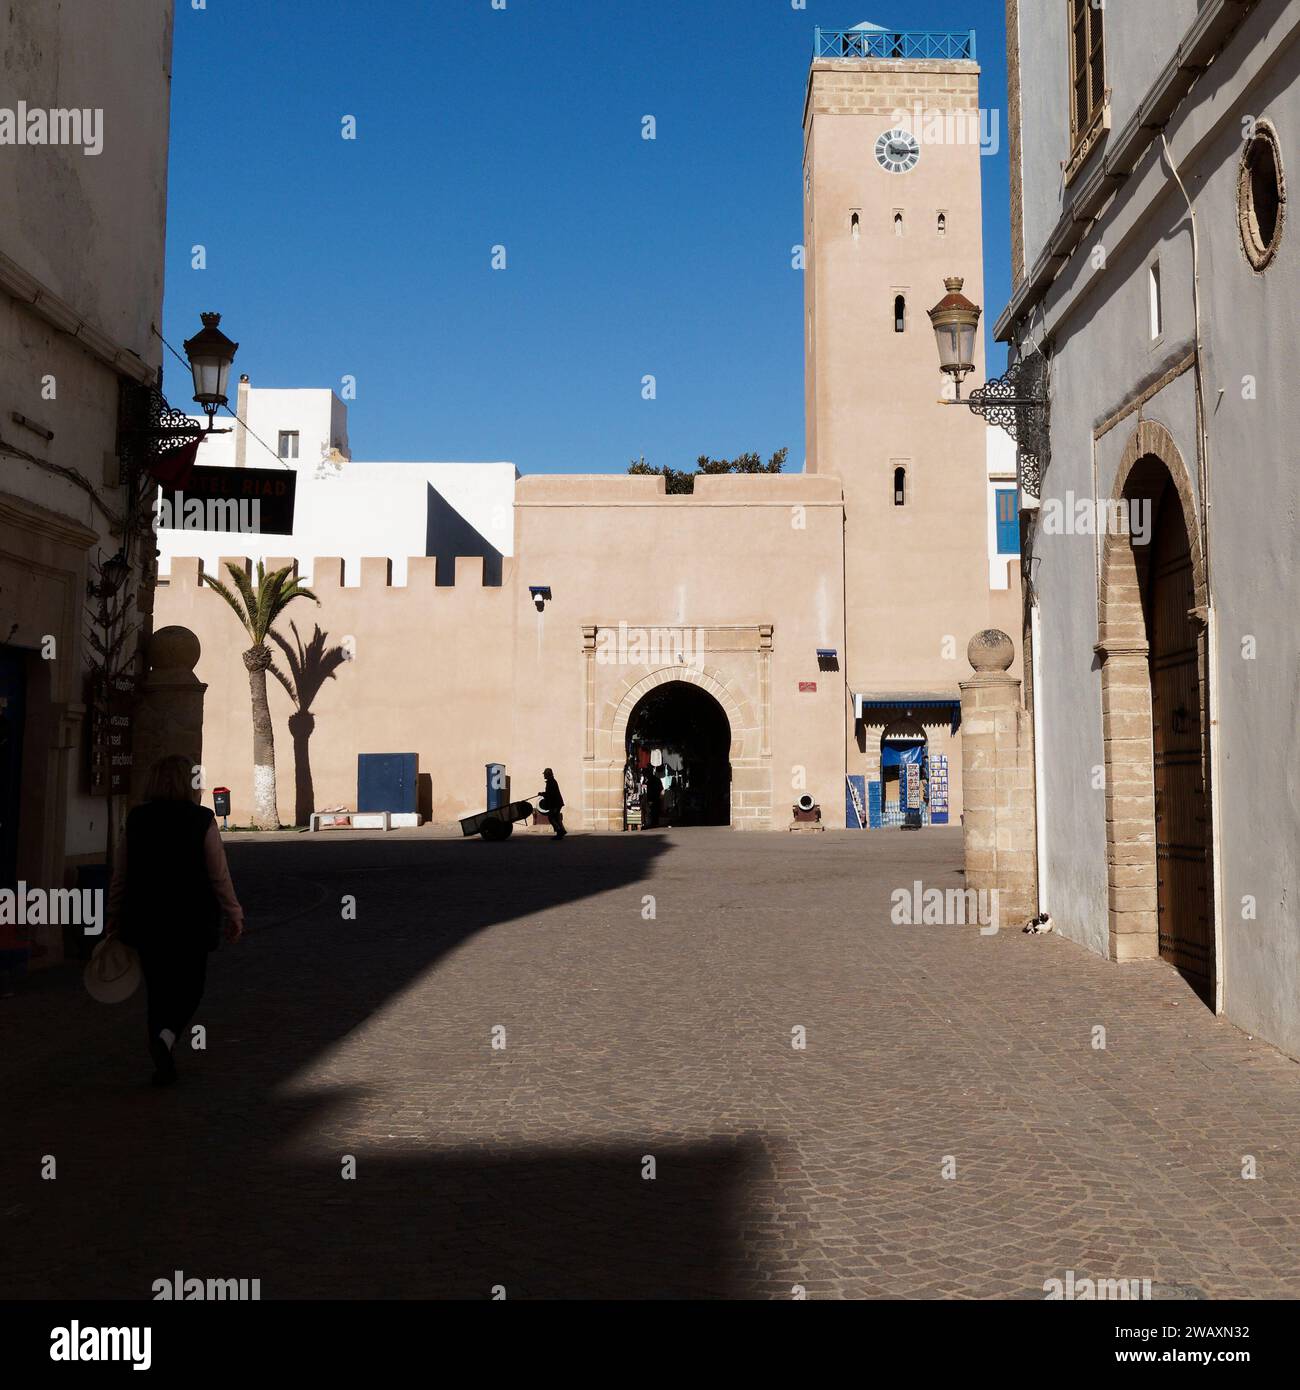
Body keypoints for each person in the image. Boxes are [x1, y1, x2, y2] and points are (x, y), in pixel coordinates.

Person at [107, 754, 244, 1085]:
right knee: (191, 987)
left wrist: (112, 917)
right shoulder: (201, 820)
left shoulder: (137, 819)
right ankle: (166, 1039)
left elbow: (121, 875)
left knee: (158, 988)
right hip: (191, 920)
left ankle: (161, 1052)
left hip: (146, 919)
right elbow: (218, 873)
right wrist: (234, 911)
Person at [540, 767, 566, 838]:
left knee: (551, 818)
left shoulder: (551, 782)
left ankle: (559, 832)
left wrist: (543, 794)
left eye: (544, 774)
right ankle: (562, 831)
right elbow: (550, 793)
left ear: (548, 774)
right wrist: (543, 793)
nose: (544, 775)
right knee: (556, 817)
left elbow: (550, 794)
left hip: (555, 803)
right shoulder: (552, 781)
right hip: (557, 803)